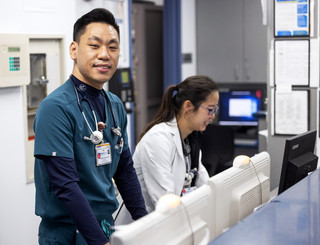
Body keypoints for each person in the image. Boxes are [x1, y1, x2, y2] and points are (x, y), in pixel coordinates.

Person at [33, 8, 147, 245]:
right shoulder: (55, 108)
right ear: (74, 50)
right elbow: (66, 187)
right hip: (67, 233)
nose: (105, 54)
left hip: (104, 225)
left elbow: (124, 171)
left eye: (112, 47)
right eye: (94, 46)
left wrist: (146, 223)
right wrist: (99, 242)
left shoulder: (114, 105)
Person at [133, 75, 219, 212]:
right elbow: (167, 202)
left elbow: (205, 188)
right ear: (188, 107)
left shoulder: (190, 141)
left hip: (169, 221)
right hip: (139, 226)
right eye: (210, 109)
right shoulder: (158, 140)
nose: (213, 116)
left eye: (215, 110)